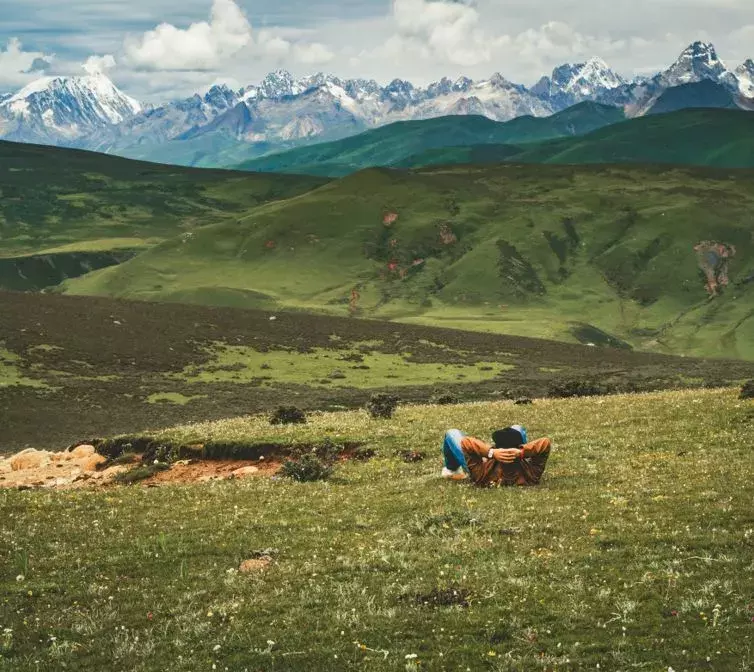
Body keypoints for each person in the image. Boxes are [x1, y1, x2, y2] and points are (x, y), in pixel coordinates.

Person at [441, 425, 551, 487]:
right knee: (517, 428)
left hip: (483, 463)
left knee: (452, 432)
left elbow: (466, 442)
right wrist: (522, 452)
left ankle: (451, 470)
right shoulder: (531, 476)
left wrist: (491, 453)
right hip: (517, 464)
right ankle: (511, 442)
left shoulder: (482, 476)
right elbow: (545, 442)